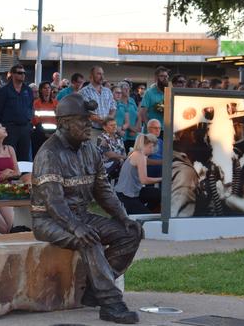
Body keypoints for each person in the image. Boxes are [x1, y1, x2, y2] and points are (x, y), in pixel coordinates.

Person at [31, 93, 142, 324]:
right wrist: (75, 226)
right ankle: (111, 303)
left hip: (80, 217)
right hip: (49, 221)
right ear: (63, 123)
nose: (89, 124)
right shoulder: (48, 154)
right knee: (88, 239)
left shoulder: (90, 149)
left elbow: (103, 191)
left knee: (132, 233)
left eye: (89, 118)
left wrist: (123, 217)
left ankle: (94, 290)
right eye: (82, 120)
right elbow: (54, 202)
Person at [0, 64, 34, 161]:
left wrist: (29, 122)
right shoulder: (3, 91)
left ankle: (24, 176)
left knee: (24, 157)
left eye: (24, 73)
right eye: (20, 73)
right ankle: (11, 176)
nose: (23, 75)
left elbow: (30, 106)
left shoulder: (28, 90)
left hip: (25, 128)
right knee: (10, 155)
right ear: (12, 75)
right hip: (10, 128)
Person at [114, 133, 162, 214]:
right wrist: (162, 178)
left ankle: (144, 210)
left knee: (158, 194)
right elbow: (144, 180)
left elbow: (149, 163)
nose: (152, 150)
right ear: (145, 145)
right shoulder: (140, 156)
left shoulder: (135, 153)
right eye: (151, 147)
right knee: (147, 219)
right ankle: (139, 212)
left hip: (132, 192)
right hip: (126, 197)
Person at [0, 118, 28, 184]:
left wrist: (8, 172)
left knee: (29, 176)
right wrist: (4, 174)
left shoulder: (10, 148)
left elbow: (18, 172)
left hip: (12, 181)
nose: (4, 128)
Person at [79, 66, 116, 143]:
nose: (102, 77)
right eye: (99, 74)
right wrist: (104, 121)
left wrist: (109, 119)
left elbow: (113, 107)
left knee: (107, 154)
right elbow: (86, 112)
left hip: (107, 131)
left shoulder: (107, 91)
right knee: (94, 154)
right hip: (92, 131)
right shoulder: (84, 92)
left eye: (102, 74)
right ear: (91, 76)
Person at [32, 81, 58, 157]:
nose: (47, 90)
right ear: (40, 90)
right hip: (39, 134)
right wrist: (45, 134)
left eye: (48, 88)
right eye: (44, 88)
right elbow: (35, 119)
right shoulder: (36, 103)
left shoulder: (56, 103)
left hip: (54, 134)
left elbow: (60, 119)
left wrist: (55, 133)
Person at [140, 66, 169, 135]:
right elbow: (143, 113)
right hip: (152, 131)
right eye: (162, 76)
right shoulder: (149, 92)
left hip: (166, 130)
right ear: (156, 77)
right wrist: (149, 127)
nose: (165, 78)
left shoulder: (170, 92)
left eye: (166, 76)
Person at [116, 81, 140, 151]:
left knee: (133, 157)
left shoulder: (132, 100)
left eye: (128, 88)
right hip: (122, 135)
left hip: (133, 135)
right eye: (124, 88)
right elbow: (121, 118)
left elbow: (138, 115)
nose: (127, 90)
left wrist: (136, 129)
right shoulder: (117, 102)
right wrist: (133, 129)